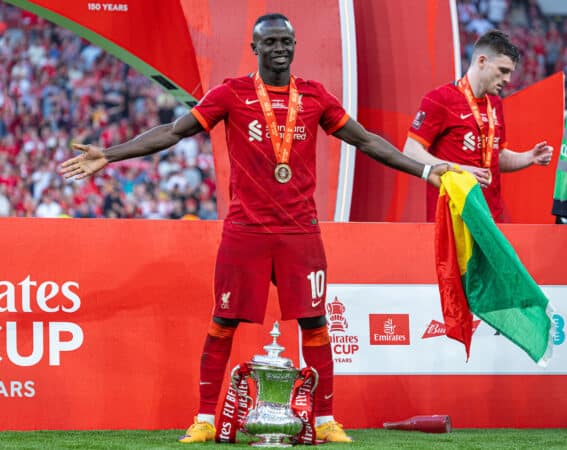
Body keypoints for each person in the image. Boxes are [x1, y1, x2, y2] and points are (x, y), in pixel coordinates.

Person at [60, 13, 451, 444]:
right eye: (271, 42)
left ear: (295, 45)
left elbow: (366, 140)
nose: (280, 49)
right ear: (255, 48)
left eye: (286, 41)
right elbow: (174, 132)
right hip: (245, 230)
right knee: (223, 321)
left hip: (299, 232)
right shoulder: (231, 93)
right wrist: (109, 155)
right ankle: (205, 419)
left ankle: (324, 420)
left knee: (316, 322)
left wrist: (425, 171)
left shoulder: (315, 96)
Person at [403, 30, 554, 222]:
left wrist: (529, 156)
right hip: (452, 218)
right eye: (503, 70)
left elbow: (497, 157)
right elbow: (411, 151)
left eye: (510, 73)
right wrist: (459, 170)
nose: (507, 80)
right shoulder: (440, 99)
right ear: (482, 61)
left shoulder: (495, 103)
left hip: (491, 219)